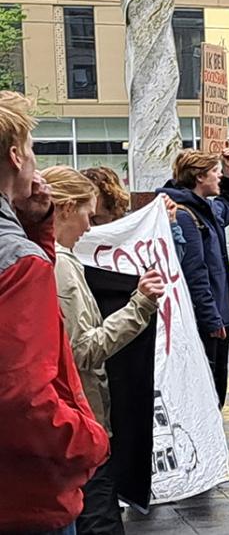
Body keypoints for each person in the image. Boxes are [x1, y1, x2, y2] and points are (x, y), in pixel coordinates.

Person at [0, 93, 109, 534]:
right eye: (32, 150)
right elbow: (23, 398)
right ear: (15, 155)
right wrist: (89, 442)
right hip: (23, 499)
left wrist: (34, 224)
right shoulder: (20, 262)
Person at [47, 166, 164, 535]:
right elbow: (84, 350)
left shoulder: (48, 258)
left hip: (64, 420)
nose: (88, 226)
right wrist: (140, 304)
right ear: (66, 208)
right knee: (98, 516)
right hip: (81, 419)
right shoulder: (61, 265)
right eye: (87, 214)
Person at [157, 147, 229, 408]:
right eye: (215, 172)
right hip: (206, 320)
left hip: (216, 313)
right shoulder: (186, 216)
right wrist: (211, 318)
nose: (218, 177)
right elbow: (196, 274)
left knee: (217, 389)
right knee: (210, 392)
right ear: (199, 177)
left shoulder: (206, 210)